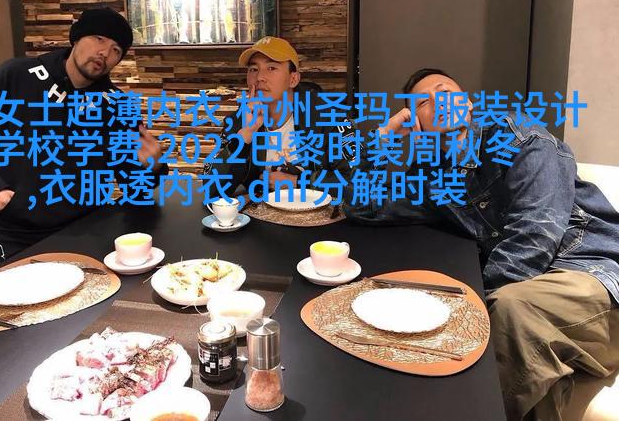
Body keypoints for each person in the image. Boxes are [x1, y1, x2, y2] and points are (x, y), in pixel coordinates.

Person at [344, 68, 619, 421]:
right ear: (417, 125)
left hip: (593, 278)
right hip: (535, 296)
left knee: (511, 310)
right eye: (423, 102)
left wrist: (470, 309)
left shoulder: (516, 136)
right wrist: (383, 138)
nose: (438, 101)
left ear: (468, 103)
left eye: (446, 91)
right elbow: (363, 206)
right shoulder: (436, 177)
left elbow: (534, 235)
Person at [0, 8, 164, 272]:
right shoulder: (16, 75)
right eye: (99, 39)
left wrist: (150, 166)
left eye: (116, 50)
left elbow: (134, 191)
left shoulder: (117, 106)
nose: (105, 53)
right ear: (76, 37)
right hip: (6, 228)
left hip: (82, 231)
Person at [204, 36, 357, 198]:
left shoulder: (329, 119)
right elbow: (210, 189)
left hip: (317, 212)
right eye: (253, 69)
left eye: (271, 68)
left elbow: (361, 180)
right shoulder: (239, 121)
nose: (260, 77)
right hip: (262, 212)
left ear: (293, 79)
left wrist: (299, 182)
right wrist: (244, 137)